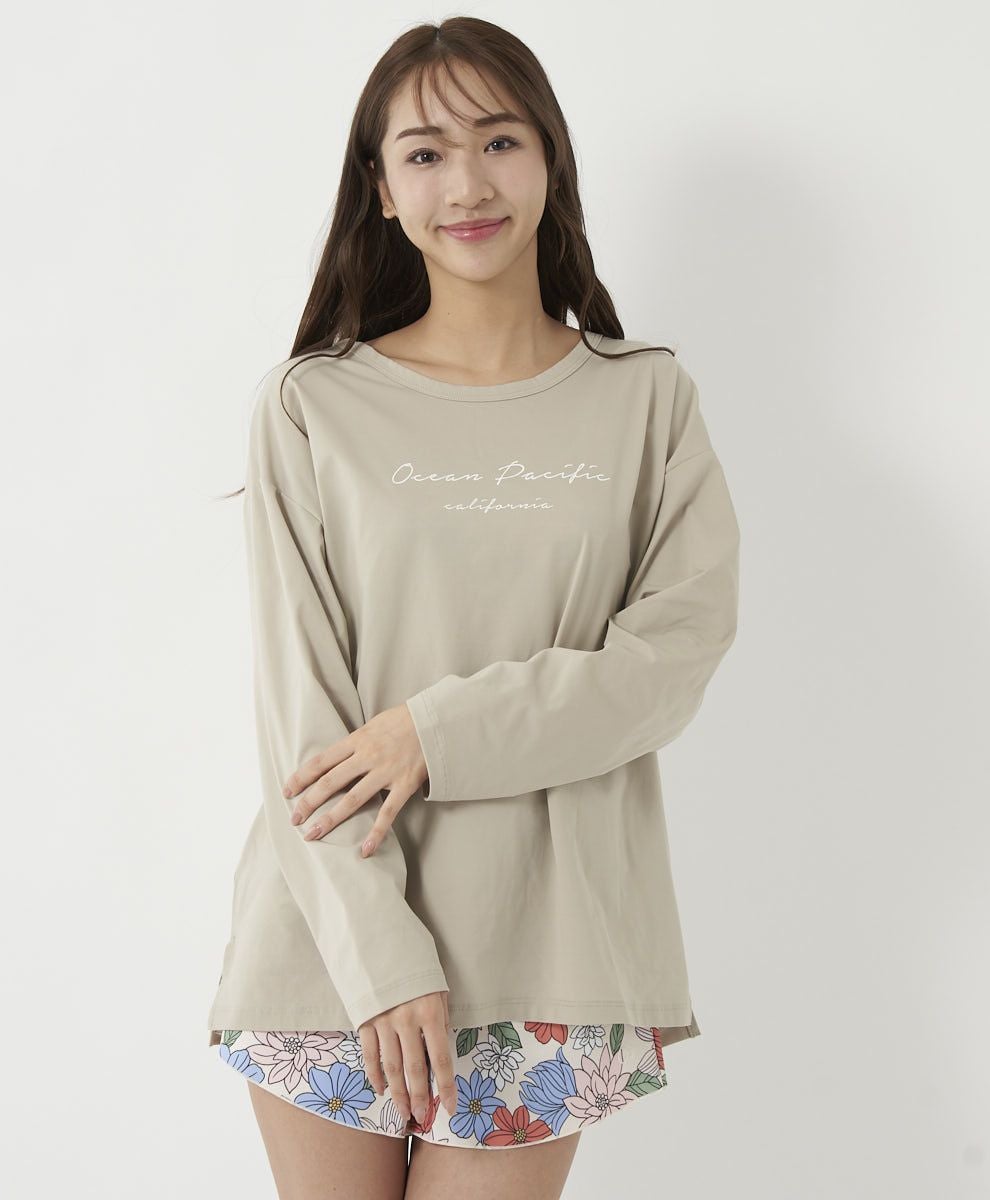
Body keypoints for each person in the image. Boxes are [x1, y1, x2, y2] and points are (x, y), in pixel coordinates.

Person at [207, 16, 741, 1200]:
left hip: (554, 948)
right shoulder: (309, 405)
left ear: (549, 157)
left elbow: (669, 661)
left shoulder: (646, 400)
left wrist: (434, 733)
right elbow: (301, 715)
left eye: (499, 141)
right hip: (331, 941)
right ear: (381, 188)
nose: (467, 184)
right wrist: (381, 957)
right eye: (425, 153)